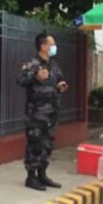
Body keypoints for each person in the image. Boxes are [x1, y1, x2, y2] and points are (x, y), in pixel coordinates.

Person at [16, 33, 68, 191]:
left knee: (47, 144)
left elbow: (59, 80)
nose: (54, 47)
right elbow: (20, 80)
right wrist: (35, 76)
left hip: (52, 112)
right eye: (52, 44)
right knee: (34, 144)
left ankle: (42, 174)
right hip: (37, 112)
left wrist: (61, 86)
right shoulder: (33, 64)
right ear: (43, 46)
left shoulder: (53, 65)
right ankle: (31, 177)